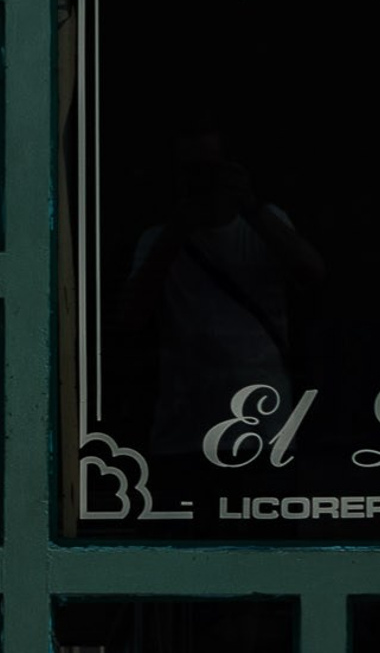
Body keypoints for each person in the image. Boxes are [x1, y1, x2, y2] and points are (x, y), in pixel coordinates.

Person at [116, 129, 324, 458]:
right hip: (186, 434)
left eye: (212, 170)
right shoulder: (157, 240)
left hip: (262, 428)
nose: (204, 181)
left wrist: (251, 207)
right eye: (192, 171)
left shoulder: (265, 225)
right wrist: (177, 231)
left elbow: (313, 275)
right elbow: (131, 318)